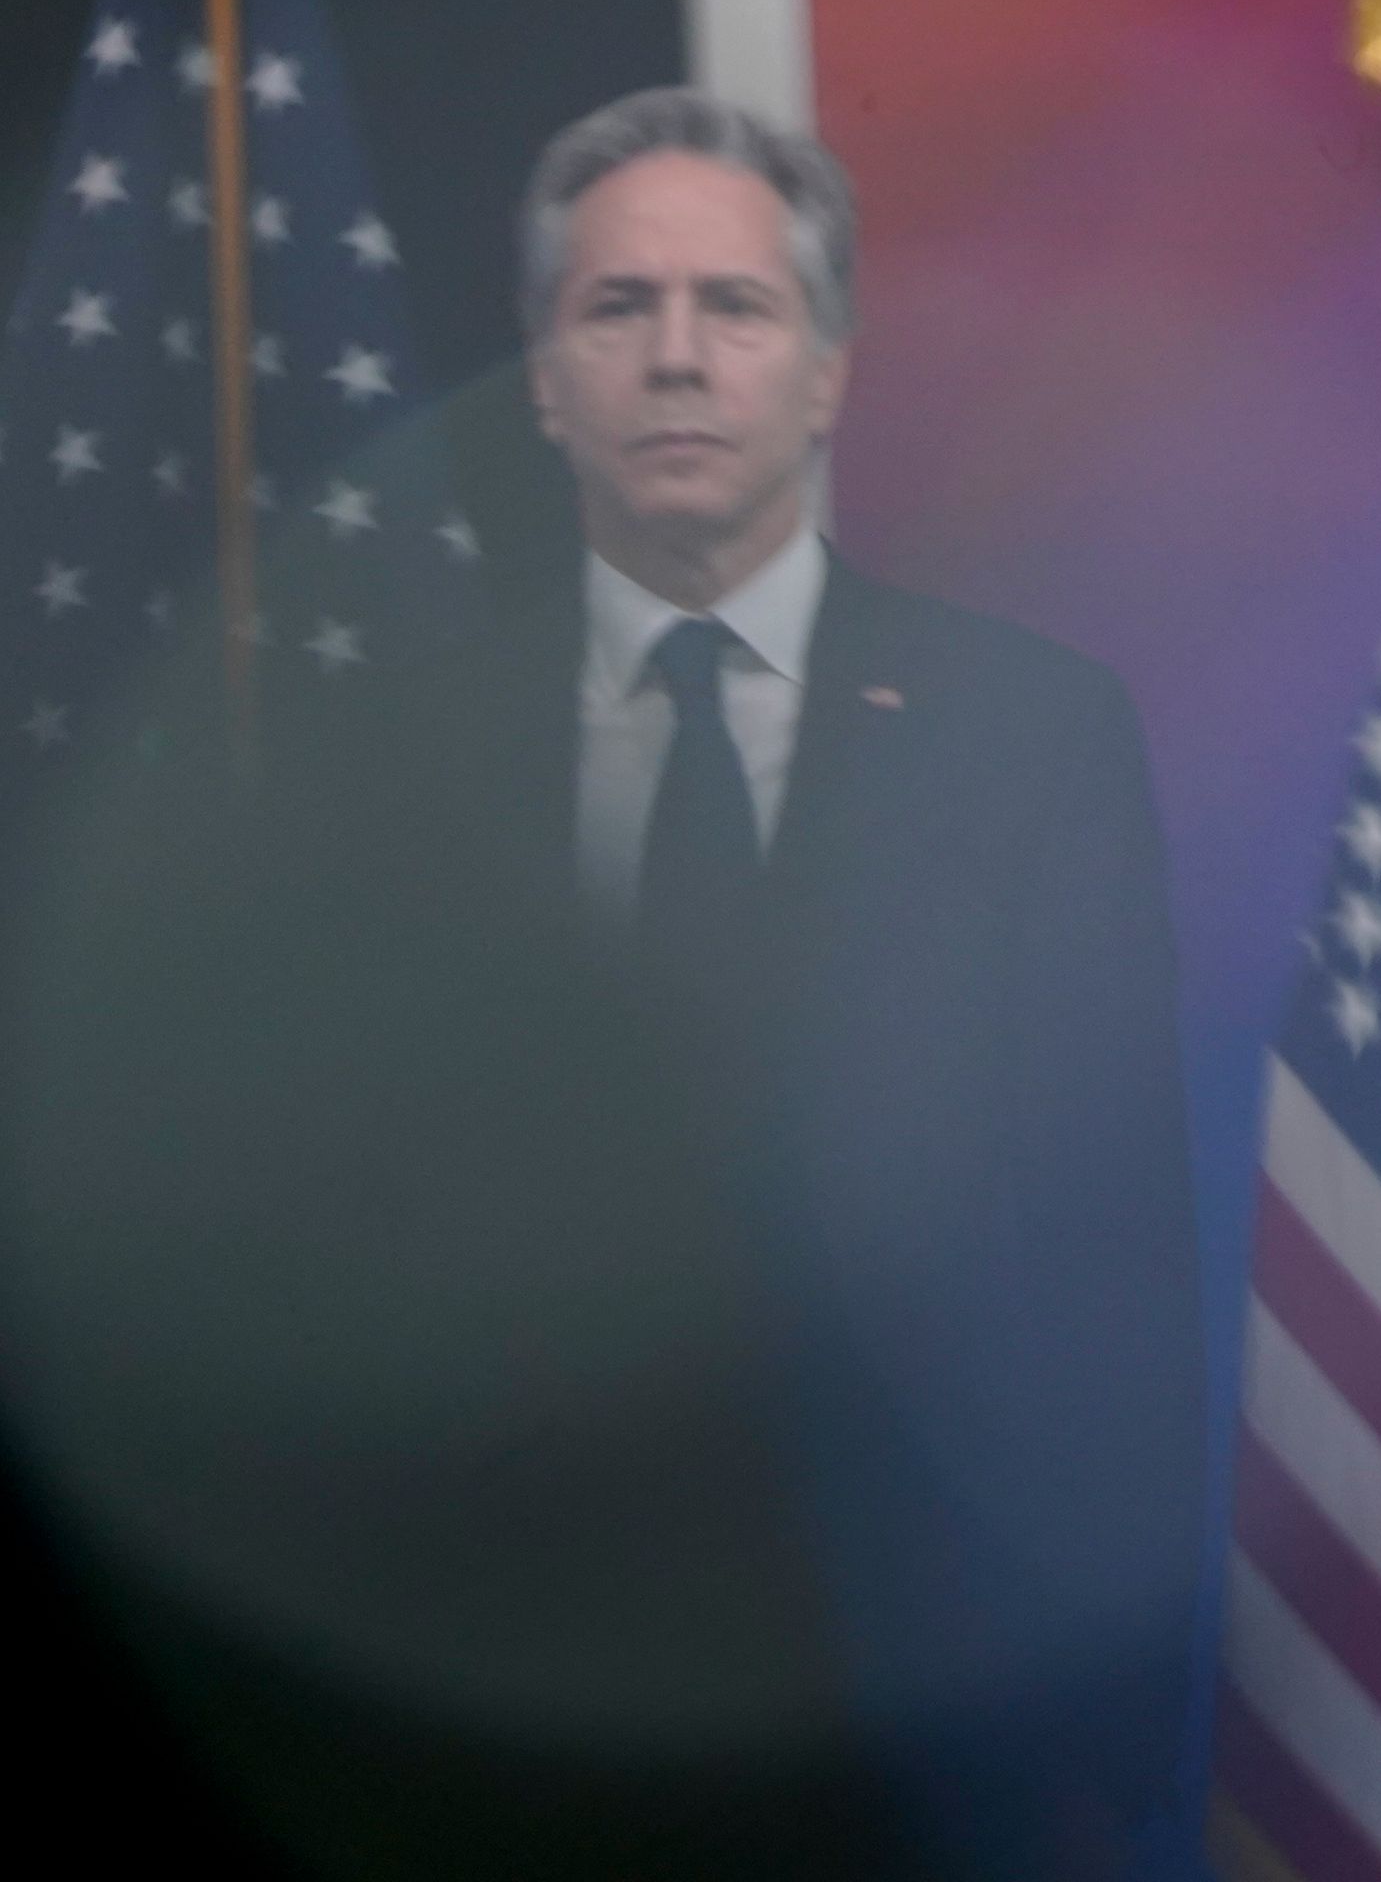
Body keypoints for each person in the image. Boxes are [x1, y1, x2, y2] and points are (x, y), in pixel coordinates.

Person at [0, 90, 1202, 1876]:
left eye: (736, 307)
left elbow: (1108, 1278)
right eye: (617, 310)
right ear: (545, 379)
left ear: (828, 369)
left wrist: (1109, 1718)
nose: (677, 360)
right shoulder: (379, 759)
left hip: (931, 1715)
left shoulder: (1031, 738)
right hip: (502, 1720)